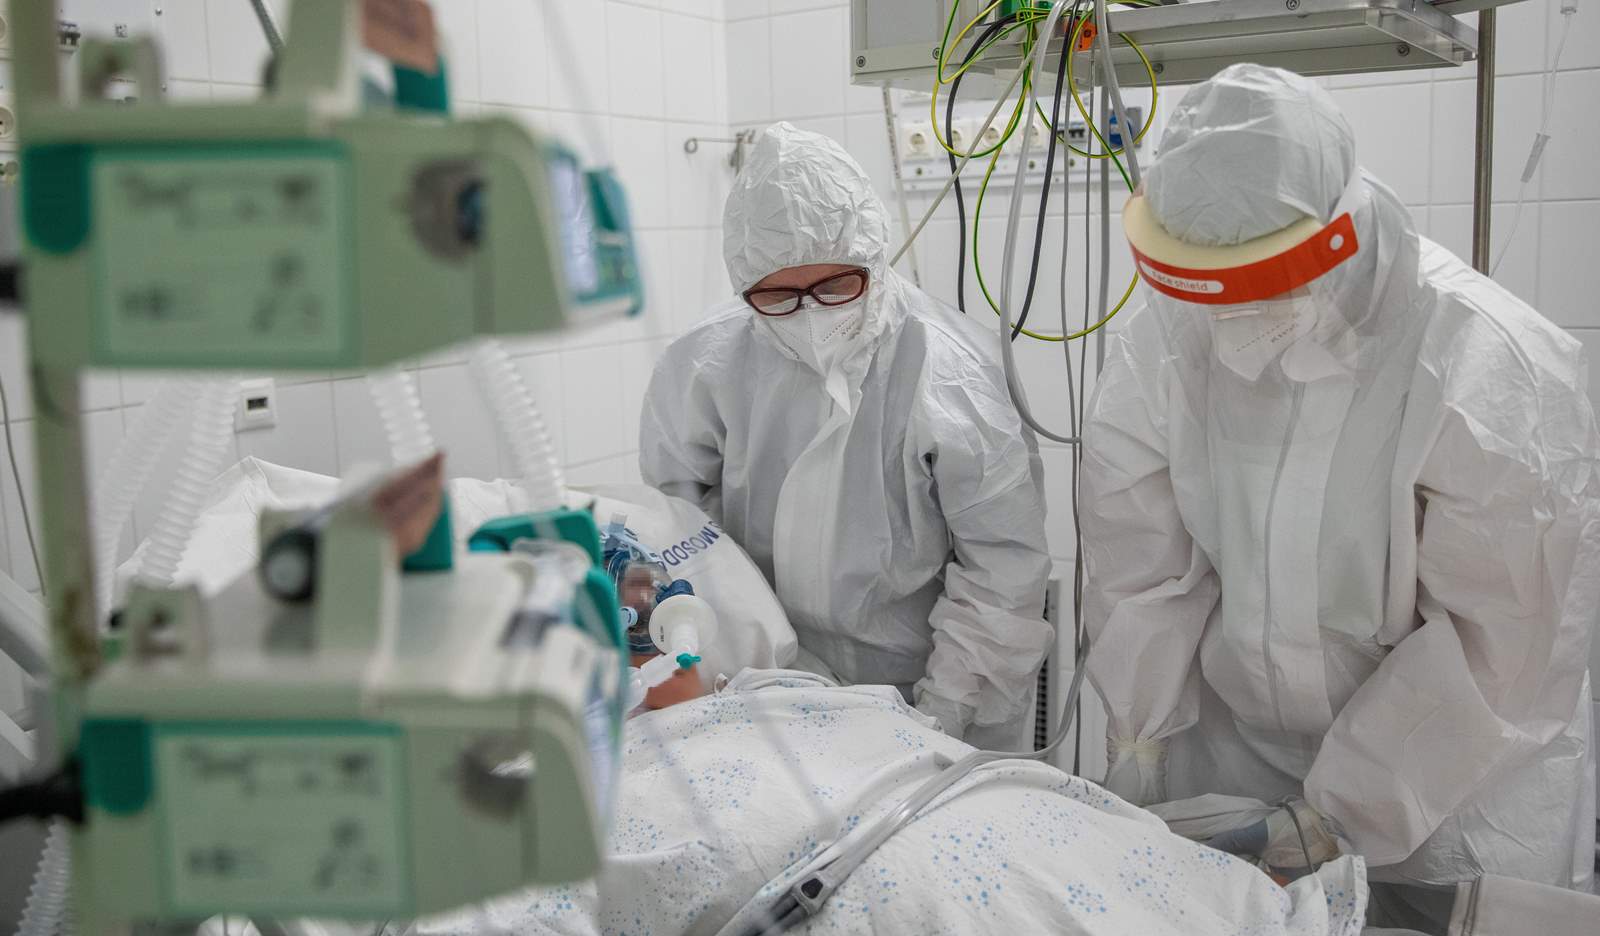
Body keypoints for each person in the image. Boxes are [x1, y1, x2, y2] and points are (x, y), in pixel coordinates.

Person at [1080, 63, 1599, 932]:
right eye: (1214, 288)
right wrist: (1139, 737)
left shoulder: (1487, 362)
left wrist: (1338, 815)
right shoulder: (1169, 337)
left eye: (1262, 284)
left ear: (1335, 238)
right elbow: (1143, 565)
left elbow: (1499, 648)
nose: (1235, 316)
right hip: (1236, 758)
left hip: (1448, 787)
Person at [639, 122, 1053, 748]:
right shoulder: (704, 365)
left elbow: (1002, 568)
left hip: (928, 689)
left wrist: (942, 717)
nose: (810, 314)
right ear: (745, 285)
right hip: (756, 689)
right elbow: (676, 536)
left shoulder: (950, 370)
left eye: (835, 286)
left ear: (874, 260)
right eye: (778, 295)